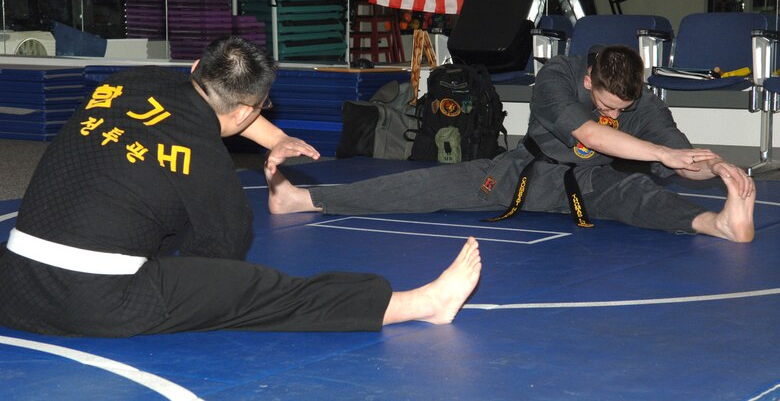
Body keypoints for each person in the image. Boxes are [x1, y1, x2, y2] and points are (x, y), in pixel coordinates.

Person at [0, 35, 481, 337]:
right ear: (250, 110)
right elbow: (218, 261)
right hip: (97, 304)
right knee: (260, 288)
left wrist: (276, 138)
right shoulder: (208, 166)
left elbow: (215, 111)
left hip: (15, 285)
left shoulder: (126, 81)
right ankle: (424, 304)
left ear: (193, 67)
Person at [267, 44, 756, 243]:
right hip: (523, 171)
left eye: (624, 109)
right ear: (588, 80)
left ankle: (718, 223)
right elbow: (587, 133)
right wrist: (663, 154)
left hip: (587, 183)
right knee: (430, 185)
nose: (617, 114)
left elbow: (680, 159)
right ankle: (303, 197)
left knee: (640, 194)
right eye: (609, 103)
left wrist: (713, 168)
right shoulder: (558, 78)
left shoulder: (640, 102)